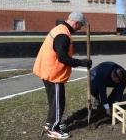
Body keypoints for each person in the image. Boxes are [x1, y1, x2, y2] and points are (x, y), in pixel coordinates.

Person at [33, 11, 92, 139]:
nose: (80, 28)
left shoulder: (60, 29)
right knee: (59, 103)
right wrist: (82, 62)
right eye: (80, 25)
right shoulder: (63, 34)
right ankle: (53, 129)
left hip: (48, 71)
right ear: (76, 23)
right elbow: (63, 58)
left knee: (54, 101)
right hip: (53, 73)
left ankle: (50, 124)